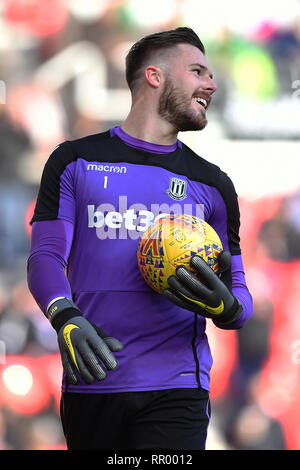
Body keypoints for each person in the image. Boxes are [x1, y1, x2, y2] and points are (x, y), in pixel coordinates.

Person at [27, 27, 253, 451]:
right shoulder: (74, 161)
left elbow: (240, 301)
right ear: (154, 76)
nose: (212, 84)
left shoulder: (213, 184)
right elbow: (45, 256)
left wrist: (227, 305)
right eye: (198, 71)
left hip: (177, 384)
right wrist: (64, 316)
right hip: (92, 375)